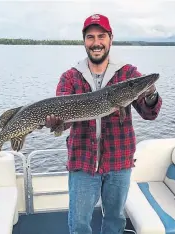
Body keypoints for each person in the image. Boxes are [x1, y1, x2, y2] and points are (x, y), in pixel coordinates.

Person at [45, 14, 162, 234]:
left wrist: (151, 94)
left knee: (115, 221)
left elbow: (149, 113)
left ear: (110, 39)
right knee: (79, 223)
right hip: (82, 160)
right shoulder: (70, 77)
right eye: (91, 37)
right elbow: (63, 123)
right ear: (84, 41)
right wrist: (56, 122)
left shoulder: (128, 74)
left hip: (119, 161)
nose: (96, 42)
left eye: (101, 36)